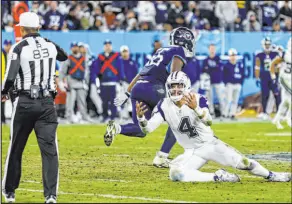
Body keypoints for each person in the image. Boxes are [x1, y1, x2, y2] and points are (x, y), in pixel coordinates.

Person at [135, 71, 291, 183]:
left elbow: (209, 121)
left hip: (210, 144)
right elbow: (148, 129)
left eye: (179, 86)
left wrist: (196, 108)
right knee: (175, 173)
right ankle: (217, 176)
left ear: (186, 86)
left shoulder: (197, 98)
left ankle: (272, 175)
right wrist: (141, 118)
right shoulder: (164, 105)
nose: (175, 90)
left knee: (244, 163)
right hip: (191, 151)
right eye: (172, 86)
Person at [104, 27, 195, 168]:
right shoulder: (179, 51)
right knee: (178, 118)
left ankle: (116, 128)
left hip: (138, 89)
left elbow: (142, 73)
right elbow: (174, 76)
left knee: (140, 129)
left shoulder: (161, 51)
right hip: (155, 88)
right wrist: (178, 93)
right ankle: (162, 157)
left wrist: (127, 93)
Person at [1, 12, 68, 203]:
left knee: (16, 148)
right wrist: (45, 40)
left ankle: (10, 192)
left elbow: (10, 77)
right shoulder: (49, 45)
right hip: (47, 104)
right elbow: (63, 56)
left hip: (25, 102)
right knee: (50, 151)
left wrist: (4, 92)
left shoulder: (18, 47)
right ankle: (50, 196)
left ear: (21, 28)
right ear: (38, 27)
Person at [91, 39, 124, 122]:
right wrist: (97, 79)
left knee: (114, 101)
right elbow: (96, 69)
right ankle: (104, 116)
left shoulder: (116, 56)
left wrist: (120, 80)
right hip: (103, 82)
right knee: (104, 101)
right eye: (106, 45)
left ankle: (113, 116)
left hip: (113, 82)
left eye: (109, 45)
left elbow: (120, 68)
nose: (108, 47)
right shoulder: (100, 57)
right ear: (104, 47)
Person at [59, 41, 92, 124]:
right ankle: (68, 117)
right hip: (71, 82)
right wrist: (61, 82)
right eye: (73, 47)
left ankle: (84, 117)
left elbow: (86, 71)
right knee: (70, 102)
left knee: (82, 102)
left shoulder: (84, 58)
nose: (75, 48)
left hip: (81, 82)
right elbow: (63, 71)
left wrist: (86, 83)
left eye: (76, 46)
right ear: (71, 48)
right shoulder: (68, 58)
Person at [255, 37, 280, 120]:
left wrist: (276, 74)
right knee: (265, 95)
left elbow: (278, 66)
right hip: (264, 77)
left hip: (273, 77)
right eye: (266, 44)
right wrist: (257, 77)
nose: (267, 46)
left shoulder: (275, 54)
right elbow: (257, 67)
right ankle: (264, 112)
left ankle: (279, 113)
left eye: (269, 44)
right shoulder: (260, 55)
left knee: (277, 95)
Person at [270, 38, 291, 129]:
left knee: (285, 102)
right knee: (288, 101)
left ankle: (277, 119)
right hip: (284, 79)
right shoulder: (285, 54)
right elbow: (273, 63)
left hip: (290, 79)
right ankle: (288, 118)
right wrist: (273, 76)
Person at [202, 44, 225, 117]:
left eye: (213, 49)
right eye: (211, 48)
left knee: (221, 97)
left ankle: (223, 112)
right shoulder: (206, 60)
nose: (212, 50)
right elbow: (204, 70)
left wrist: (210, 69)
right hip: (209, 82)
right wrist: (212, 68)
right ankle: (211, 112)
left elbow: (219, 68)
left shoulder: (218, 58)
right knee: (209, 98)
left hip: (218, 81)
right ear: (209, 49)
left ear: (215, 50)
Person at [222, 48, 244, 119]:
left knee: (235, 100)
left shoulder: (240, 65)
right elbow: (223, 75)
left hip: (237, 84)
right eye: (232, 55)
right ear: (229, 56)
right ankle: (225, 113)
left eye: (234, 55)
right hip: (230, 84)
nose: (233, 57)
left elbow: (242, 74)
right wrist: (226, 83)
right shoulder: (226, 65)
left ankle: (232, 114)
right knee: (228, 100)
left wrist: (240, 83)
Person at [1, 39, 12, 124]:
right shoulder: (2, 53)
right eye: (8, 45)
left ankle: (3, 119)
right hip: (2, 81)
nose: (9, 47)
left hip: (4, 81)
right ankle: (2, 119)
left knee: (3, 100)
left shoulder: (7, 54)